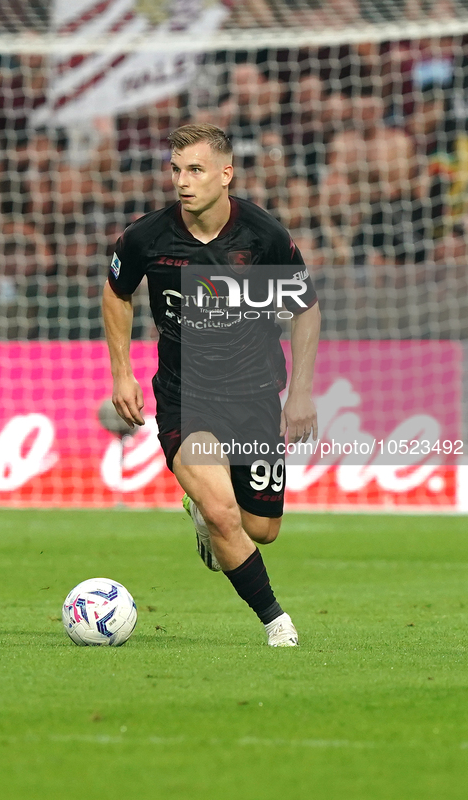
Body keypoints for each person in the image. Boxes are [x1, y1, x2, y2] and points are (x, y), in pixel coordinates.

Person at [102, 123, 321, 648]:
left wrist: (303, 393)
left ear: (226, 174)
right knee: (226, 514)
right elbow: (116, 293)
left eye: (195, 170)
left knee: (260, 528)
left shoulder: (263, 237)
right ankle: (276, 622)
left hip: (254, 396)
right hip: (185, 396)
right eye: (176, 170)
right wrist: (122, 371)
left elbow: (305, 309)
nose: (183, 181)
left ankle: (201, 517)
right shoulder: (146, 237)